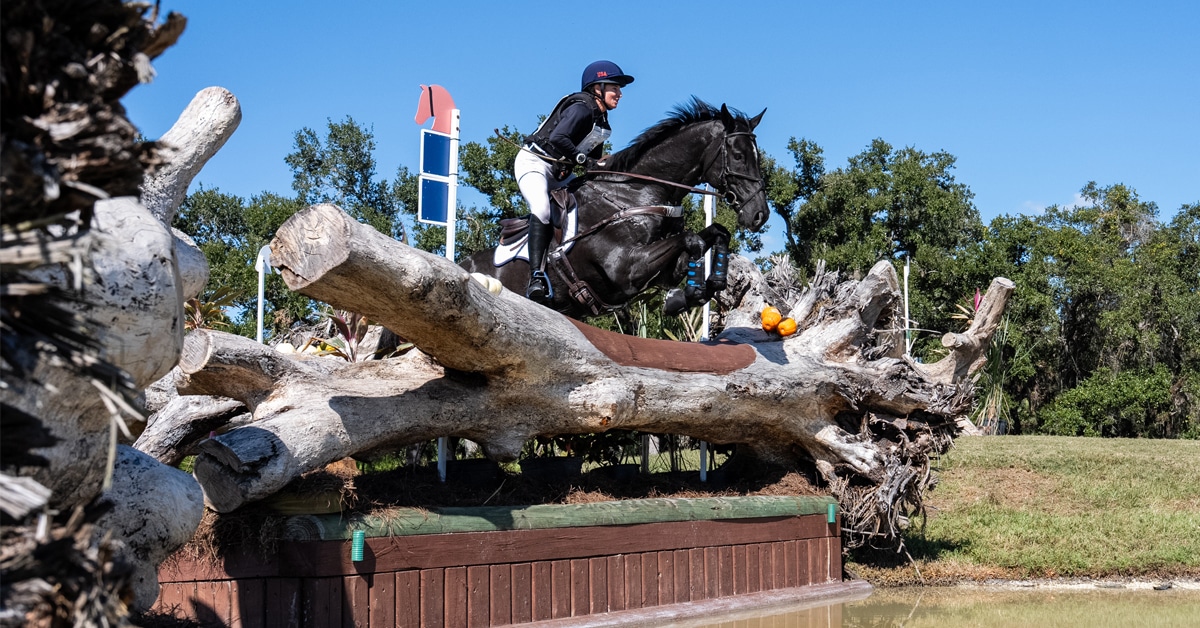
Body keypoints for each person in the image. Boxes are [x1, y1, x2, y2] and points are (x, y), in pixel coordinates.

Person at [514, 60, 635, 303]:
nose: (620, 94)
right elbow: (559, 138)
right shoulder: (581, 108)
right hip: (535, 163)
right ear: (597, 88)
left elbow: (593, 162)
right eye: (615, 88)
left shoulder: (601, 123)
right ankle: (536, 276)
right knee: (541, 208)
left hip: (560, 172)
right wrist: (584, 160)